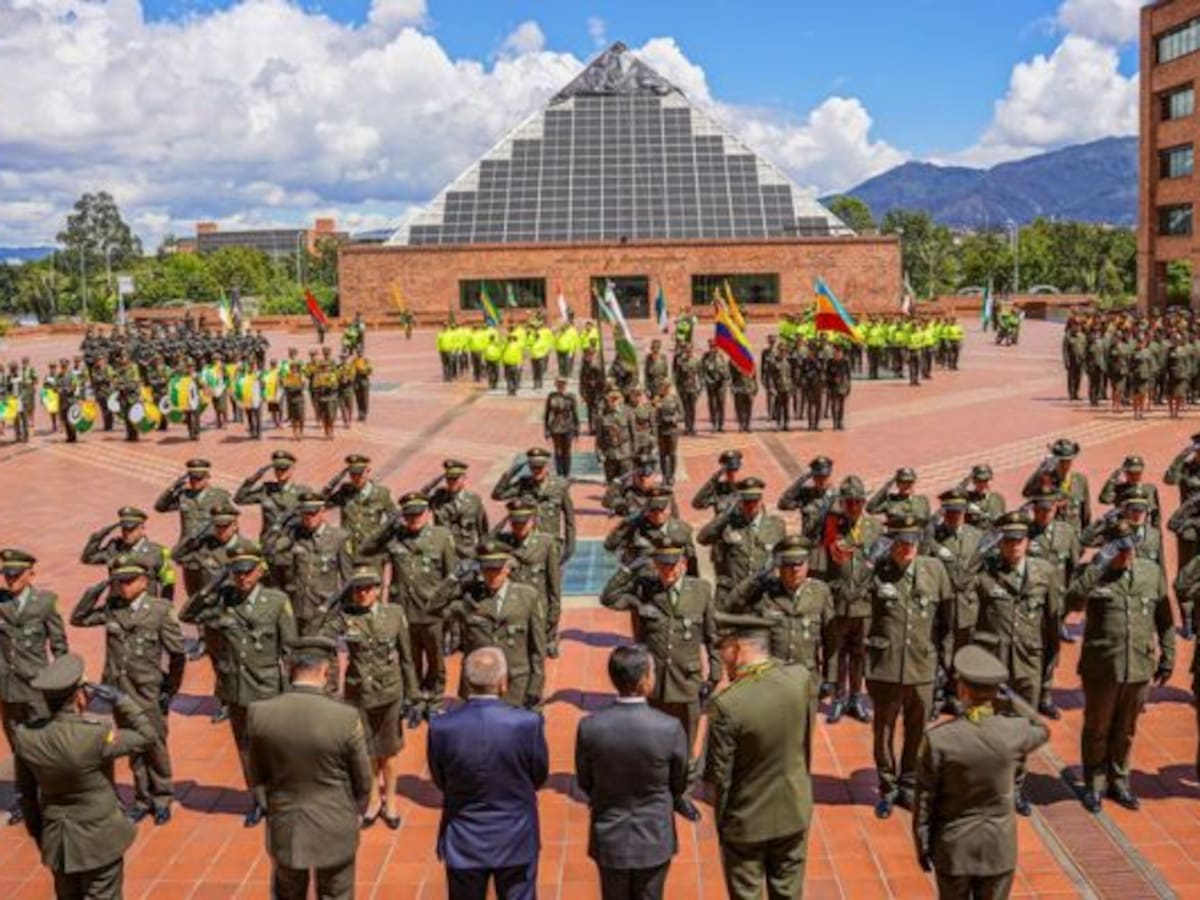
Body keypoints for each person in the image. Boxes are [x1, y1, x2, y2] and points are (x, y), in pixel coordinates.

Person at [12, 653, 157, 900]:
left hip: (59, 842)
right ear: (80, 696)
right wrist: (121, 700)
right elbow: (147, 736)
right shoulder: (94, 736)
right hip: (99, 840)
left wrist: (43, 838)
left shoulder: (26, 737)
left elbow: (26, 796)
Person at [913, 645, 1051, 900]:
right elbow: (1042, 729)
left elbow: (925, 797)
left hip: (954, 849)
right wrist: (1012, 699)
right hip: (998, 850)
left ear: (962, 690)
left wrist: (922, 842)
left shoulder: (940, 740)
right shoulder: (1014, 732)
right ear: (995, 693)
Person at [179, 540, 296, 826]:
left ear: (259, 570)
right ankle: (258, 800)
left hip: (267, 687)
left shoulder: (276, 601)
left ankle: (281, 799)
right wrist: (212, 585)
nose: (242, 577)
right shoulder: (224, 598)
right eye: (236, 572)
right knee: (245, 747)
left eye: (247, 571)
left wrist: (291, 692)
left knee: (273, 746)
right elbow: (187, 615)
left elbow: (290, 648)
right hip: (235, 687)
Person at [247, 636, 372, 900]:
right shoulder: (345, 717)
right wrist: (353, 808)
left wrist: (272, 807)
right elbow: (363, 781)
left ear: (288, 668)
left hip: (286, 824)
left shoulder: (259, 713)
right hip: (335, 823)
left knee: (288, 892)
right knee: (337, 893)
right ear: (326, 670)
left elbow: (257, 775)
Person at [1066, 519, 1173, 813]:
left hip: (1138, 664)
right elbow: (1073, 601)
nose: (1126, 555)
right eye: (1119, 549)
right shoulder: (1091, 573)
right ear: (1108, 548)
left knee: (1126, 729)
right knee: (1098, 727)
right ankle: (1094, 783)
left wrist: (1168, 656)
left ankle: (1119, 781)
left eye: (1130, 549)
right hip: (1103, 666)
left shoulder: (1150, 572)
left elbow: (1164, 617)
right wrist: (1098, 564)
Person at [69, 556, 186, 825]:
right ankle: (143, 799)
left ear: (144, 581)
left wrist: (170, 689)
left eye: (129, 581)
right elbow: (79, 619)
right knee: (132, 745)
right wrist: (97, 589)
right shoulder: (113, 607)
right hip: (120, 691)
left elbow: (177, 653)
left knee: (154, 744)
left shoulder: (159, 610)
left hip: (147, 691)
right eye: (119, 581)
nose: (123, 586)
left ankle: (162, 798)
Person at [704, 613, 813, 900]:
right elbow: (806, 743)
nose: (721, 657)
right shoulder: (800, 679)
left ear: (738, 648)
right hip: (794, 810)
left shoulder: (727, 704)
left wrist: (723, 824)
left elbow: (720, 777)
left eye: (723, 648)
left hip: (746, 823)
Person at [428, 647, 549, 900]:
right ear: (503, 682)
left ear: (466, 682)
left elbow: (441, 780)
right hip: (515, 836)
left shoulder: (442, 726)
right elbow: (538, 775)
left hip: (464, 839)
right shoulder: (528, 723)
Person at [599, 538, 717, 794]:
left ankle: (683, 790)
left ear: (683, 563)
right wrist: (629, 568)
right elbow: (608, 598)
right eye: (662, 565)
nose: (668, 571)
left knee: (687, 739)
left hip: (687, 679)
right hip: (653, 681)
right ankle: (657, 784)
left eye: (673, 565)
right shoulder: (646, 588)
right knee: (654, 738)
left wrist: (714, 676)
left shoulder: (701, 590)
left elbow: (712, 637)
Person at [575, 645, 691, 900]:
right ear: (644, 680)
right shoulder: (669, 728)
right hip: (654, 836)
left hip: (609, 835)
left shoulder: (590, 727)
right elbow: (679, 781)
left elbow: (585, 781)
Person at [865, 514, 954, 819]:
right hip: (885, 666)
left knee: (917, 729)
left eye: (912, 542)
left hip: (921, 665)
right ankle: (887, 787)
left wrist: (944, 663)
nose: (907, 548)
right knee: (883, 731)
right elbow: (851, 598)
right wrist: (869, 562)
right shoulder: (877, 570)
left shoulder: (935, 570)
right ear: (890, 543)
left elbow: (947, 620)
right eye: (901, 542)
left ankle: (908, 783)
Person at [333, 566, 420, 829]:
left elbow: (407, 657)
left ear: (377, 590)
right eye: (357, 589)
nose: (362, 594)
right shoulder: (345, 616)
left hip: (389, 692)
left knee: (389, 751)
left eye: (367, 588)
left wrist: (413, 695)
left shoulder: (394, 614)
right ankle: (373, 800)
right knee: (368, 752)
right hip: (359, 693)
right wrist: (335, 600)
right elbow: (319, 628)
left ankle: (390, 801)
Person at [0, 548, 70, 826]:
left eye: (16, 574)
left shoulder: (45, 602)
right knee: (18, 747)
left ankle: (52, 799)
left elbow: (60, 646)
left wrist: (64, 685)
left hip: (37, 688)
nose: (10, 579)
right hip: (7, 688)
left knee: (43, 745)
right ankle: (26, 800)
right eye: (6, 574)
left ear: (31, 574)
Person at [441, 540, 546, 708]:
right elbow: (432, 609)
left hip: (516, 684)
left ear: (507, 568)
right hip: (478, 686)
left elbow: (537, 648)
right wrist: (453, 578)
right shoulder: (471, 597)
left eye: (497, 570)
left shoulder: (527, 597)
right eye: (487, 570)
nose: (492, 575)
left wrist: (535, 685)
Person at [543, 376, 581, 479]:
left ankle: (566, 473)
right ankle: (559, 473)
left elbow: (575, 413)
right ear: (556, 385)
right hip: (556, 427)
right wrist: (546, 429)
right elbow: (547, 414)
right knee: (558, 451)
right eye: (559, 384)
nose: (561, 386)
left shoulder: (571, 396)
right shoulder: (551, 396)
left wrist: (577, 429)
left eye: (563, 384)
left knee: (567, 451)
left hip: (568, 426)